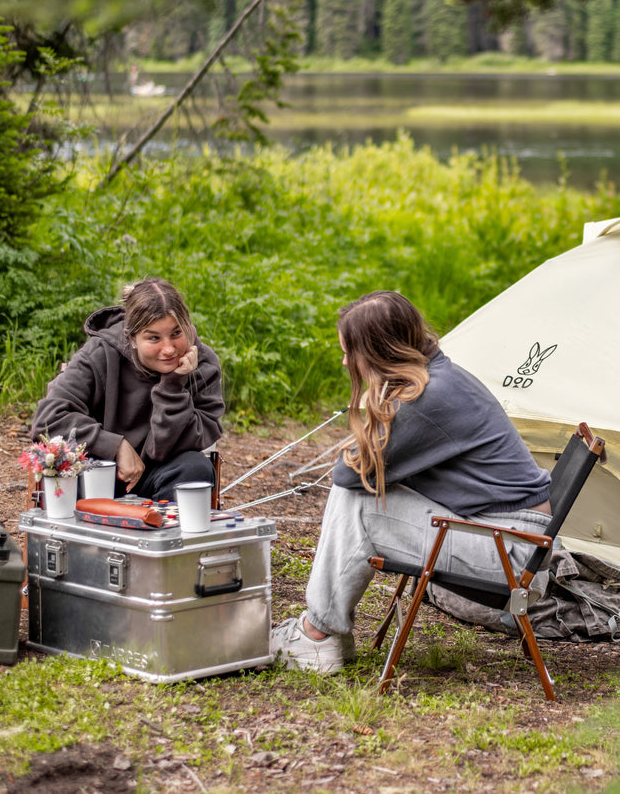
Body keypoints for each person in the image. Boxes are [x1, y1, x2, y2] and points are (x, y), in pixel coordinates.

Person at [270, 290, 552, 673]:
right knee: (366, 494)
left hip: (511, 555)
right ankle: (324, 634)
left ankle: (317, 636)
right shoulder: (437, 377)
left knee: (361, 500)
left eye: (350, 352)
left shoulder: (430, 398)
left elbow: (347, 474)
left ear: (377, 351)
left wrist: (375, 404)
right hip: (512, 540)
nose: (344, 361)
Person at [29, 277, 224, 502]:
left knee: (195, 469)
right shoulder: (101, 353)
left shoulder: (203, 364)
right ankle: (87, 534)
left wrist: (173, 386)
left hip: (159, 474)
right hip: (98, 470)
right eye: (154, 338)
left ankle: (163, 533)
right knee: (65, 470)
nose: (169, 349)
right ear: (131, 337)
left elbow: (169, 446)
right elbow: (48, 419)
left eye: (177, 333)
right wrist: (115, 445)